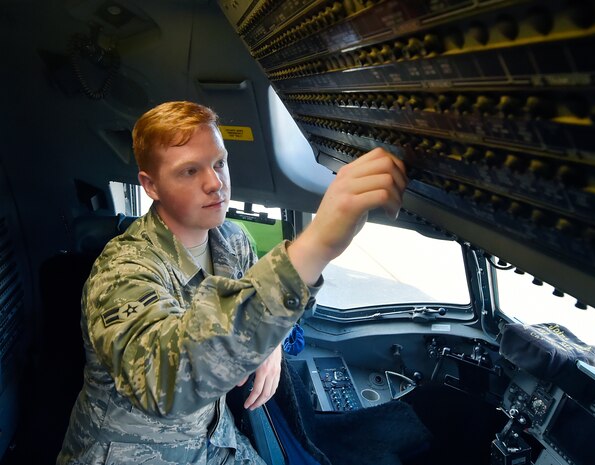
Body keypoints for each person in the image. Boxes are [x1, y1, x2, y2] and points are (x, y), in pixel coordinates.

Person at [57, 100, 407, 465]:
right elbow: (165, 384)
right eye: (189, 171)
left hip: (213, 438)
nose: (215, 183)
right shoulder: (122, 270)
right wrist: (317, 243)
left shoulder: (232, 240)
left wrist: (271, 346)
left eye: (219, 163)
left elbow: (270, 308)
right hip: (130, 452)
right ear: (151, 185)